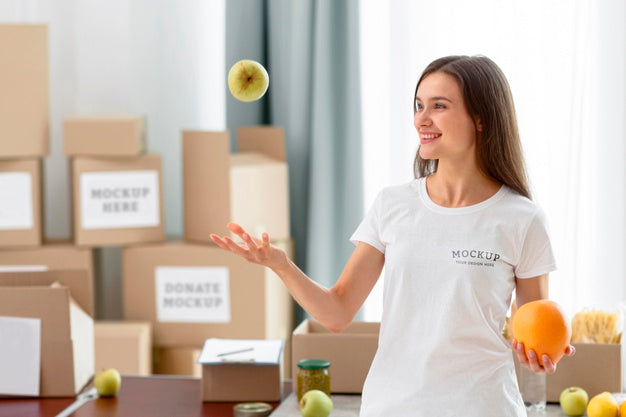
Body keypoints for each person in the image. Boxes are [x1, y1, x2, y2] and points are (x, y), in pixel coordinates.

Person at [210, 55, 575, 417]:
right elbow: (337, 312)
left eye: (439, 106)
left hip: (484, 407)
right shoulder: (394, 205)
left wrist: (540, 356)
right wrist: (280, 264)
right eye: (418, 106)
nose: (422, 119)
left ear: (481, 119)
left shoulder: (522, 219)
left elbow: (533, 328)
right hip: (392, 406)